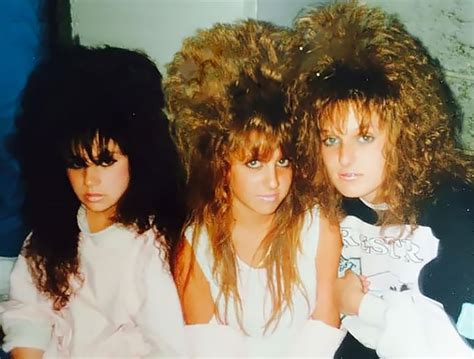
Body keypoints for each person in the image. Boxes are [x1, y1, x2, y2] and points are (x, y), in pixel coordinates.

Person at [289, 1, 473, 357]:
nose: (344, 158)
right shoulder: (326, 204)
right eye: (331, 139)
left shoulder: (457, 211)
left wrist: (362, 307)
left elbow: (453, 347)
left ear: (405, 132)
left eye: (365, 136)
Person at [165, 19, 351, 357]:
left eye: (283, 162)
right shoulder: (196, 244)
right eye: (254, 163)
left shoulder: (318, 226)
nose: (273, 181)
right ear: (221, 164)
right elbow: (205, 350)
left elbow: (324, 329)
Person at [0, 45, 186, 357]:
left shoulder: (149, 246)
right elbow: (28, 311)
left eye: (105, 162)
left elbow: (168, 346)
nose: (91, 180)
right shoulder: (52, 235)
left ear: (137, 158)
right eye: (77, 163)